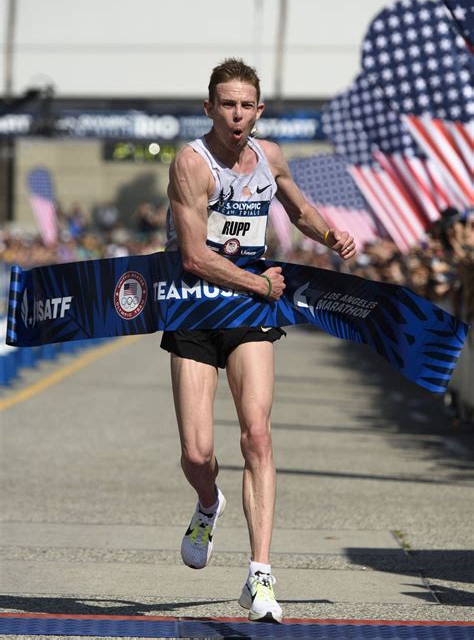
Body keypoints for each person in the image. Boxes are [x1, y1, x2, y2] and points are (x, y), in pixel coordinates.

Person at [161, 58, 356, 623]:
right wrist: (260, 281)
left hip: (250, 311)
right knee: (197, 453)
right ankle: (207, 502)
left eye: (246, 105)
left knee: (258, 437)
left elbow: (298, 211)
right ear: (209, 108)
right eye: (226, 104)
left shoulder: (269, 157)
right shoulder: (191, 164)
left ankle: (260, 575)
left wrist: (329, 233)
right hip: (195, 306)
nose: (237, 114)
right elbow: (195, 257)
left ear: (259, 110)